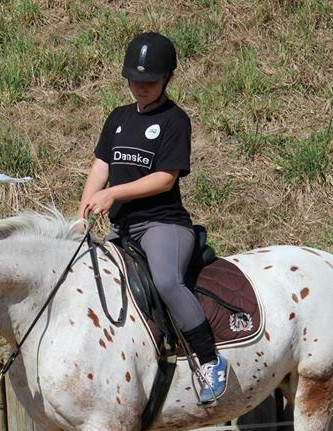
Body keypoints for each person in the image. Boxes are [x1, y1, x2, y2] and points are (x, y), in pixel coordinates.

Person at [76, 32, 229, 405]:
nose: (140, 88)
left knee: (166, 280)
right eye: (134, 80)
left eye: (149, 82)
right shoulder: (118, 118)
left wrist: (113, 193)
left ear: (167, 80)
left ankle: (210, 360)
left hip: (163, 224)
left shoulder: (176, 121)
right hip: (121, 228)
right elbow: (100, 169)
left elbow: (166, 178)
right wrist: (80, 216)